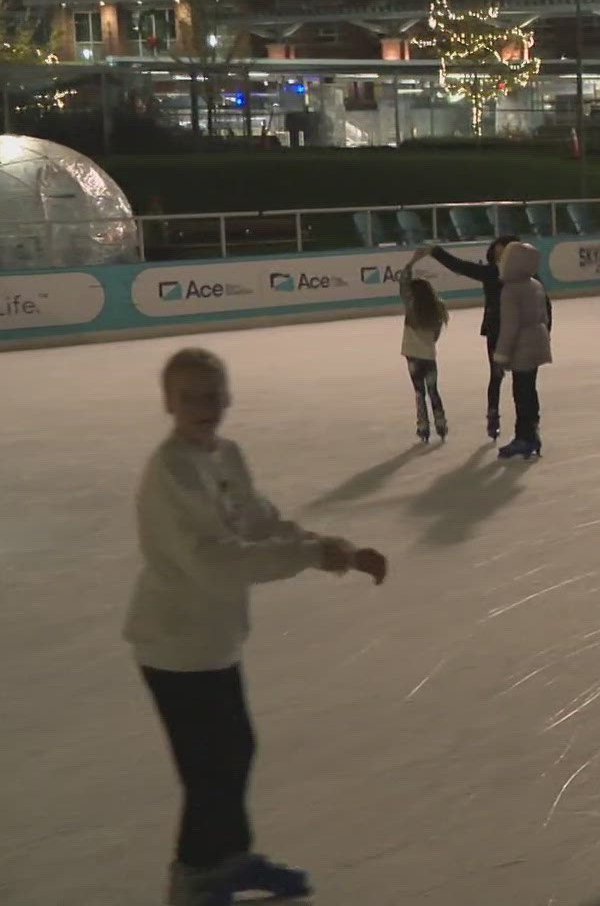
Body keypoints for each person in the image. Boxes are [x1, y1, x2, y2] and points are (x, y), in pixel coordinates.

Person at [127, 348, 387, 906]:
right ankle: (193, 879)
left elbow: (259, 523)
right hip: (172, 641)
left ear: (228, 397)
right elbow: (216, 559)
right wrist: (316, 554)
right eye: (189, 395)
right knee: (207, 767)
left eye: (212, 393)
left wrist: (333, 549)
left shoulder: (226, 455)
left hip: (213, 638)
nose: (203, 405)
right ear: (168, 402)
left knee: (235, 750)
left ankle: (230, 858)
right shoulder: (173, 467)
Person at [420, 236, 519, 440]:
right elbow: (461, 267)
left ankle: (525, 424)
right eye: (498, 250)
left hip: (519, 330)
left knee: (522, 378)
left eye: (505, 250)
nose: (501, 253)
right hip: (496, 330)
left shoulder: (523, 273)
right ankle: (493, 416)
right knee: (497, 374)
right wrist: (436, 252)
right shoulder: (492, 272)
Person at [492, 241, 553, 459]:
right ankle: (531, 432)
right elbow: (545, 316)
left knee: (521, 393)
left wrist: (500, 356)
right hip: (537, 343)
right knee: (529, 391)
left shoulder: (511, 290)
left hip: (522, 349)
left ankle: (524, 437)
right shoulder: (535, 285)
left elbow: (510, 327)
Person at [398, 262, 449, 443]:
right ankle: (441, 422)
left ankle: (423, 425)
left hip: (412, 354)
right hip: (428, 354)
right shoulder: (437, 308)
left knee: (419, 391)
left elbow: (402, 284)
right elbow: (436, 335)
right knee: (433, 390)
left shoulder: (412, 307)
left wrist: (410, 264)